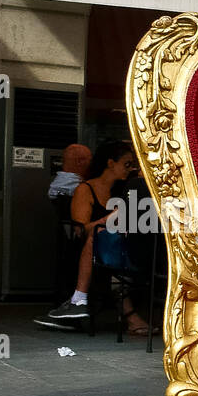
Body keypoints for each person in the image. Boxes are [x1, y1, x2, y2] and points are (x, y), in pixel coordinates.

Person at [38, 140, 148, 335]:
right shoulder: (86, 189)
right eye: (127, 164)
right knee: (98, 234)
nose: (130, 169)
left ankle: (81, 302)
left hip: (124, 245)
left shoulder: (126, 189)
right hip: (94, 248)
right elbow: (81, 231)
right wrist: (111, 217)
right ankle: (126, 315)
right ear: (110, 163)